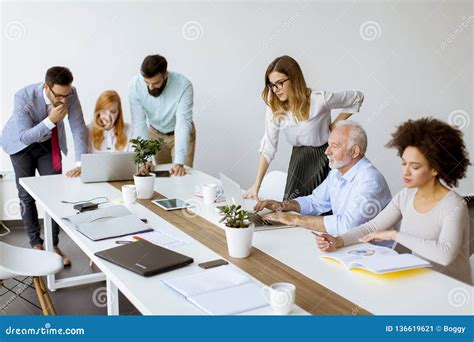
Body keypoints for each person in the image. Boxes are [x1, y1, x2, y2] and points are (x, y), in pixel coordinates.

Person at [316, 118, 471, 284]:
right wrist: (338, 240)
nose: (406, 172)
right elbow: (372, 227)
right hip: (420, 280)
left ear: (435, 169)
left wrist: (394, 234)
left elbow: (445, 254)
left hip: (451, 288)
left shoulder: (453, 205)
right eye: (404, 164)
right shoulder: (406, 196)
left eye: (415, 167)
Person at [0, 66, 88, 266]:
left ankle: (53, 244)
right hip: (21, 145)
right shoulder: (23, 96)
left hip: (49, 143)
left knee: (54, 192)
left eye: (67, 95)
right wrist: (51, 120)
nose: (64, 100)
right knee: (25, 194)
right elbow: (25, 135)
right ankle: (36, 244)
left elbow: (78, 126)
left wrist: (80, 162)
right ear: (46, 87)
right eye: (59, 95)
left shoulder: (69, 93)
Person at [244, 55, 364, 200]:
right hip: (298, 160)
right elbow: (268, 147)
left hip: (323, 158)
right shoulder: (274, 106)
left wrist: (334, 126)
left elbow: (357, 98)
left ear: (294, 78)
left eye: (279, 83)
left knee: (319, 209)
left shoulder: (320, 99)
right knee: (290, 209)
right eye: (271, 85)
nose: (275, 89)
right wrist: (257, 184)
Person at [254, 121, 392, 236]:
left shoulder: (370, 180)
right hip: (346, 244)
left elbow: (348, 226)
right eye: (328, 144)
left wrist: (295, 219)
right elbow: (315, 202)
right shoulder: (336, 173)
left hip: (371, 252)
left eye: (335, 146)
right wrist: (282, 205)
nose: (327, 151)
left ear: (355, 151)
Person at [129, 54, 196, 176]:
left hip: (180, 133)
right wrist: (146, 158)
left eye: (155, 82)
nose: (150, 87)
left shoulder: (184, 85)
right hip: (155, 135)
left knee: (181, 175)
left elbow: (183, 122)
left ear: (165, 75)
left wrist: (179, 162)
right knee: (163, 177)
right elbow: (139, 124)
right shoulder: (135, 86)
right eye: (147, 83)